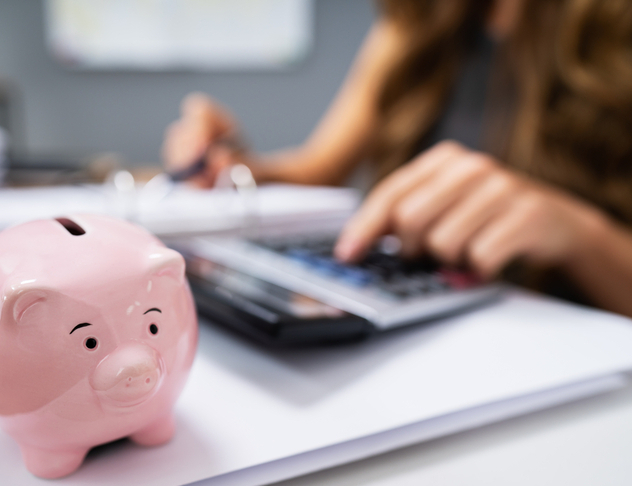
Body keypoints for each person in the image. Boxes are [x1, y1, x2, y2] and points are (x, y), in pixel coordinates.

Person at [161, 0, 632, 317]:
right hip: (426, 322)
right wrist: (235, 167)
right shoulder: (418, 18)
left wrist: (580, 235)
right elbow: (318, 169)